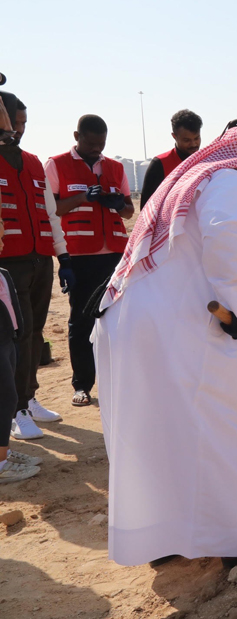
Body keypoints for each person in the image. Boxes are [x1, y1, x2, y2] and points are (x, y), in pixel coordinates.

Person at [93, 119, 237, 566]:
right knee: (220, 429)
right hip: (173, 333)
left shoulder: (194, 179)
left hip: (133, 323)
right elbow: (226, 247)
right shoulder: (231, 180)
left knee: (158, 436)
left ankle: (159, 540)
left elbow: (213, 277)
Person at [44, 115, 133, 407]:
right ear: (76, 136)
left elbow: (130, 211)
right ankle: (82, 384)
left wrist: (117, 203)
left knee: (116, 320)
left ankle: (117, 380)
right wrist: (83, 196)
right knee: (82, 321)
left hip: (115, 254)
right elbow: (52, 208)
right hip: (80, 256)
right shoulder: (56, 165)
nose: (97, 149)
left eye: (101, 144)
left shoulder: (115, 167)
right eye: (91, 143)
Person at [0, 97, 64, 441]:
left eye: (23, 122)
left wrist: (62, 255)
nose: (19, 129)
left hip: (41, 259)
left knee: (36, 332)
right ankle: (16, 409)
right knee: (18, 335)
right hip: (8, 264)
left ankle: (30, 396)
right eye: (14, 123)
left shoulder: (33, 162)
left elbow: (50, 213)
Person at [0, 212, 43, 482]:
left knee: (9, 396)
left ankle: (3, 450)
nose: (3, 244)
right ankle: (1, 464)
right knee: (3, 400)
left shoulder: (3, 273)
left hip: (7, 343)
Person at [139, 109, 203, 209]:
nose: (194, 144)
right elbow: (146, 208)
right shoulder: (160, 164)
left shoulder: (206, 161)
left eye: (196, 138)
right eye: (187, 140)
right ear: (174, 136)